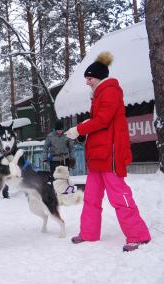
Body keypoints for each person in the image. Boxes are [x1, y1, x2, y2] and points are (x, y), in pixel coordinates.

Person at [65, 51, 151, 252]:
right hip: (97, 156)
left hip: (109, 156)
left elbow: (103, 120)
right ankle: (89, 233)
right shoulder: (98, 95)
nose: (87, 82)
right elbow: (99, 124)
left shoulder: (110, 91)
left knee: (119, 197)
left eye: (89, 78)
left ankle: (139, 235)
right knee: (91, 198)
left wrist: (79, 129)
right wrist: (83, 132)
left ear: (99, 77)